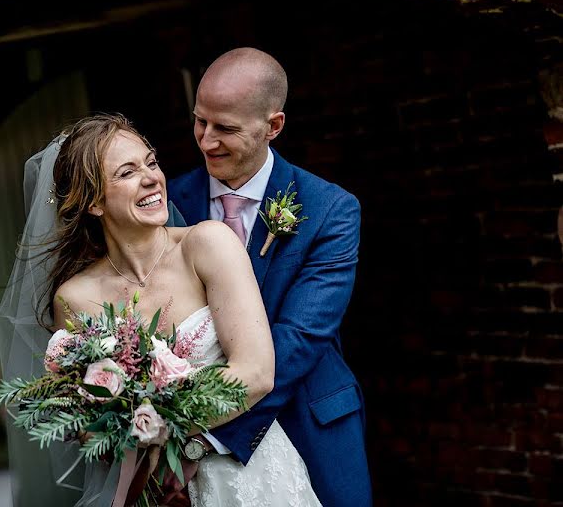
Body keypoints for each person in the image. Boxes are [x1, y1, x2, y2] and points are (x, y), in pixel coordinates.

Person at [42, 113, 321, 506]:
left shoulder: (208, 245)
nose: (152, 178)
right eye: (127, 172)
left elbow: (256, 372)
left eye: (151, 163)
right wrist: (119, 425)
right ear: (93, 202)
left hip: (246, 475)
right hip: (149, 487)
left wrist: (157, 425)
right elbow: (87, 423)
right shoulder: (74, 298)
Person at [167, 48, 373, 506]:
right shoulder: (168, 203)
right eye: (200, 121)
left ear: (273, 126)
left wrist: (200, 435)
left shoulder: (330, 210)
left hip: (309, 422)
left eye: (226, 128)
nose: (206, 141)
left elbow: (299, 338)